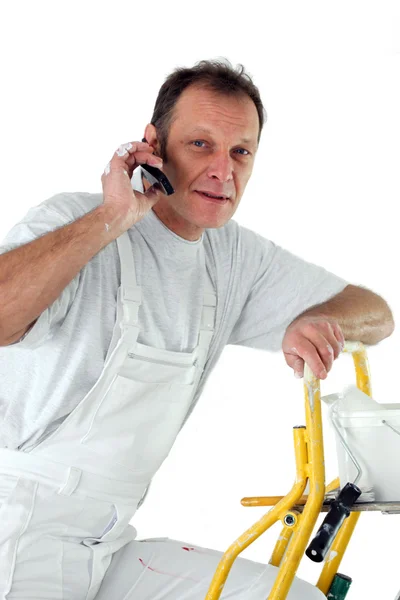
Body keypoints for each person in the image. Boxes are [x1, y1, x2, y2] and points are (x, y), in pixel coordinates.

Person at [0, 58, 394, 599]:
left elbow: (376, 313)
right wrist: (114, 217)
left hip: (108, 540)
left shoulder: (233, 259)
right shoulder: (73, 220)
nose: (223, 171)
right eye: (201, 145)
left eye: (240, 151)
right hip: (13, 523)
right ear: (153, 145)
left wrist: (318, 319)